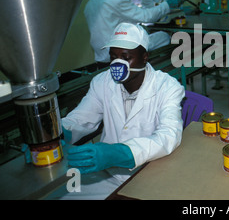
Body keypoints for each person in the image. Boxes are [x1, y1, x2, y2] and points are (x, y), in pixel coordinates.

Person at [52, 22, 185, 199]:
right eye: (113, 56)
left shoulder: (168, 87)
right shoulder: (102, 82)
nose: (117, 64)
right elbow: (82, 118)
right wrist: (55, 134)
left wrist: (119, 153)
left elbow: (168, 136)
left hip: (147, 173)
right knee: (65, 195)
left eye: (125, 57)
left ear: (144, 57)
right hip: (106, 173)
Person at [84, 0, 183, 65]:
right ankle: (165, 64)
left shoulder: (91, 2)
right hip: (120, 49)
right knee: (164, 36)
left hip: (101, 55)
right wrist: (166, 5)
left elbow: (112, 22)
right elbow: (146, 16)